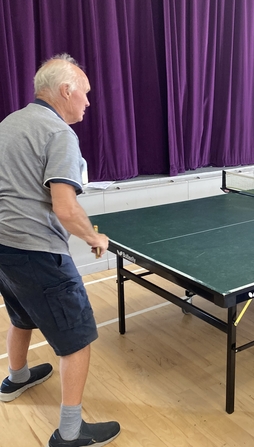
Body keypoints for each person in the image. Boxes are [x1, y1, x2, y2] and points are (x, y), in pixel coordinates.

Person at [0, 54, 120, 446]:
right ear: (66, 91)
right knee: (78, 338)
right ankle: (70, 432)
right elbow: (65, 207)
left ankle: (16, 378)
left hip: (3, 247)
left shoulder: (9, 123)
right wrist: (94, 237)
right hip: (37, 251)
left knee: (21, 315)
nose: (88, 103)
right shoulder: (58, 133)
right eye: (84, 94)